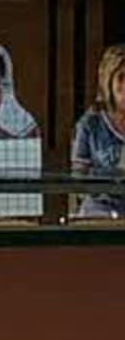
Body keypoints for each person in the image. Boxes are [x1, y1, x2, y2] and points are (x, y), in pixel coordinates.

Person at [69, 43, 125, 220]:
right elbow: (78, 182)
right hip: (101, 212)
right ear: (108, 82)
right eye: (121, 78)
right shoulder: (90, 125)